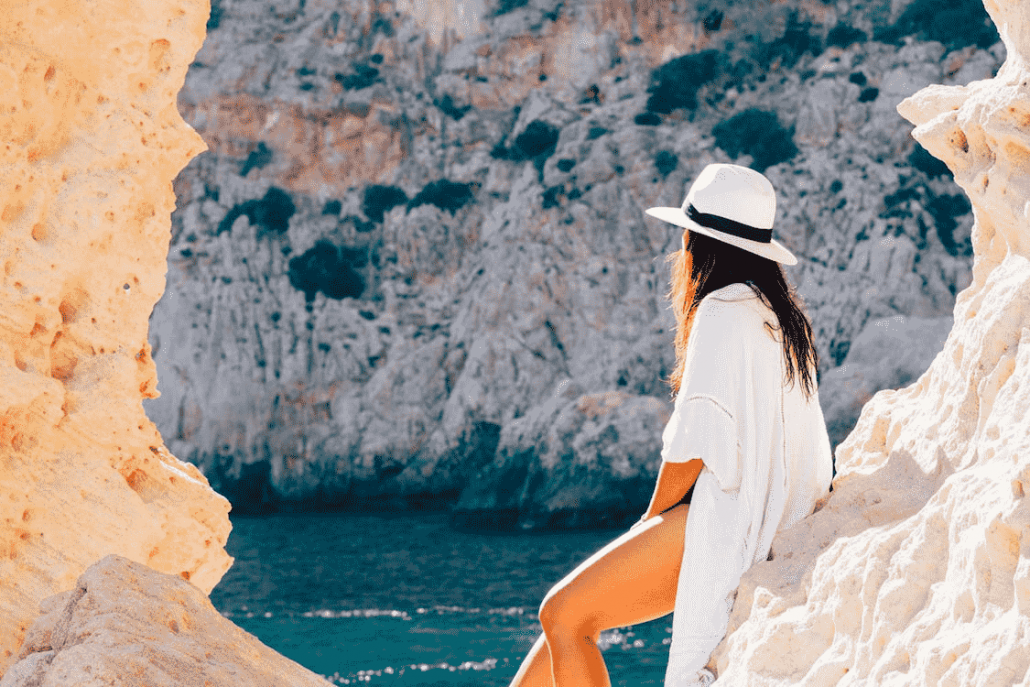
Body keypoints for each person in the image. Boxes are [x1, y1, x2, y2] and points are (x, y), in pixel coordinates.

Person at [506, 163, 834, 687]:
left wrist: (648, 520)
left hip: (726, 520)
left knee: (562, 615)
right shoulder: (782, 319)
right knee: (561, 626)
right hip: (773, 519)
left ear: (698, 243)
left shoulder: (722, 310)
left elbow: (693, 444)